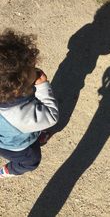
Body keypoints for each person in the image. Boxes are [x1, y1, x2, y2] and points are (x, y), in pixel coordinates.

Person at [0, 29, 59, 178]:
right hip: (16, 147)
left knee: (29, 128)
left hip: (9, 133)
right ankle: (9, 170)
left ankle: (36, 134)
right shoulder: (19, 115)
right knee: (31, 161)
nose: (36, 69)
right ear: (17, 86)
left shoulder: (8, 92)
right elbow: (51, 116)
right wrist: (43, 86)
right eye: (32, 68)